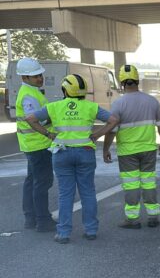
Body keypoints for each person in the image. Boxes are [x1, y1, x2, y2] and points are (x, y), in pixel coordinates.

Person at [25, 74, 113, 244]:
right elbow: (113, 120)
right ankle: (91, 230)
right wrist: (96, 135)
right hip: (85, 152)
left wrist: (49, 134)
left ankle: (64, 233)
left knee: (66, 194)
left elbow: (31, 119)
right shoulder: (91, 107)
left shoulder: (54, 106)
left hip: (62, 153)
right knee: (87, 192)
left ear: (65, 90)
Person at [93, 65, 160, 229]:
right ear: (137, 80)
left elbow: (111, 130)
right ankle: (153, 216)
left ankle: (132, 220)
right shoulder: (151, 101)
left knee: (131, 185)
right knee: (149, 183)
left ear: (122, 82)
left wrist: (105, 150)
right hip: (148, 149)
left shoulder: (118, 104)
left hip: (127, 153)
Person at [14, 57, 57, 232]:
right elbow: (33, 120)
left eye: (40, 75)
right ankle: (43, 221)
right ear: (24, 78)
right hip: (38, 145)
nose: (40, 78)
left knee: (32, 181)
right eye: (35, 76)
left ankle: (31, 218)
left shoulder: (31, 92)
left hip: (32, 145)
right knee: (42, 182)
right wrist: (49, 133)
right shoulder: (29, 95)